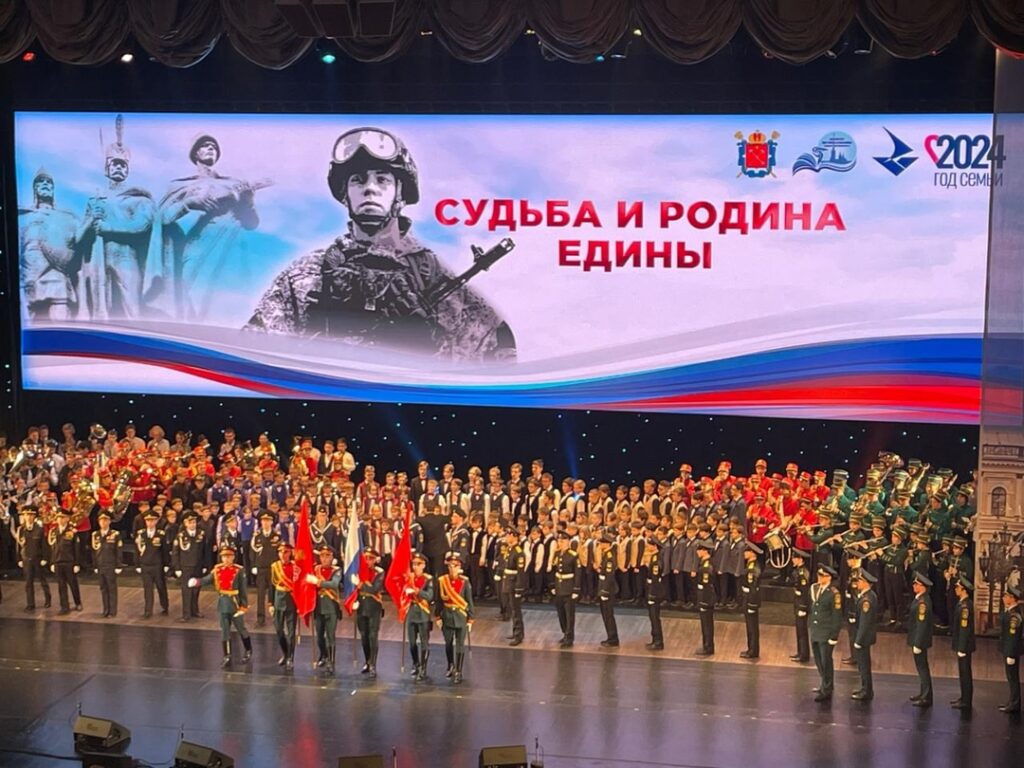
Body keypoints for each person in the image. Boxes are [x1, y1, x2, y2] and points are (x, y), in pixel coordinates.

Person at [245, 127, 515, 362]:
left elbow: (497, 358)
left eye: (382, 179)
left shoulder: (432, 276)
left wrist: (429, 352)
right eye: (358, 179)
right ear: (345, 194)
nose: (370, 188)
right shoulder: (306, 275)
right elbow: (254, 354)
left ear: (400, 194)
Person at [146, 133, 261, 320]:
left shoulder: (234, 184)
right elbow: (162, 219)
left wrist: (248, 202)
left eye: (214, 147)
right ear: (195, 153)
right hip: (195, 247)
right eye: (206, 145)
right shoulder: (180, 185)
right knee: (192, 299)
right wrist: (190, 203)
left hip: (229, 248)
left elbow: (251, 224)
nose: (211, 149)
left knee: (226, 303)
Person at [77, 114, 155, 320]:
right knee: (99, 309)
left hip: (125, 257)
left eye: (123, 165)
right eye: (115, 164)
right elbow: (79, 237)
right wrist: (91, 221)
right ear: (107, 168)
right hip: (98, 258)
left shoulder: (138, 198)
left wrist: (108, 227)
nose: (119, 167)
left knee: (132, 310)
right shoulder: (96, 199)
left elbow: (141, 225)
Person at [18, 168, 83, 321]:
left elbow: (77, 243)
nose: (45, 184)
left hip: (56, 274)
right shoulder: (23, 217)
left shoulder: (66, 218)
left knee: (60, 324)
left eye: (49, 182)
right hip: (28, 276)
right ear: (35, 189)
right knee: (28, 327)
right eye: (41, 182)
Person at [189, 545, 253, 668]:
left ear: (233, 557)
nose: (226, 559)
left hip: (235, 603)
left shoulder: (239, 570)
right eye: (224, 557)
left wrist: (243, 606)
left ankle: (248, 650)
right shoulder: (217, 569)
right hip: (223, 603)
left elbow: (243, 590)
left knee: (241, 628)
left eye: (228, 556)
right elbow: (207, 579)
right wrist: (197, 582)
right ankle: (227, 656)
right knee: (225, 631)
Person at [436, 551, 474, 685]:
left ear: (460, 567)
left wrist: (471, 619)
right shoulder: (442, 581)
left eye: (455, 566)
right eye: (450, 566)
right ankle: (450, 665)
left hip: (460, 615)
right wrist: (437, 616)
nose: (453, 568)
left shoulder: (465, 582)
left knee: (460, 644)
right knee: (448, 642)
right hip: (447, 615)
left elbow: (469, 601)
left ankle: (459, 670)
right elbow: (439, 600)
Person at [306, 545, 342, 675]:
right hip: (318, 607)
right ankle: (323, 655)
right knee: (320, 636)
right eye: (322, 556)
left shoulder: (336, 570)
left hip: (331, 607)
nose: (325, 558)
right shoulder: (316, 569)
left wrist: (318, 582)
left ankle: (331, 662)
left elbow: (334, 584)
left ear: (332, 557)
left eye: (327, 556)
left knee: (330, 636)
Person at [810, 565, 842, 702]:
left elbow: (836, 616)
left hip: (826, 632)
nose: (819, 578)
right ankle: (824, 683)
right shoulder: (815, 588)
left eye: (822, 576)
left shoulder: (834, 593)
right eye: (819, 575)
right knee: (818, 660)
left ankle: (827, 688)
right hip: (816, 630)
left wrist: (834, 635)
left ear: (829, 577)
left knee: (826, 661)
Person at [355, 547, 386, 678]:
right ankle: (367, 661)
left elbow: (374, 589)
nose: (368, 561)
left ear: (375, 560)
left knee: (373, 636)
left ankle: (373, 664)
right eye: (366, 558)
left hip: (374, 606)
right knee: (364, 636)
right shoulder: (357, 570)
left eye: (370, 558)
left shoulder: (379, 572)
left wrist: (361, 585)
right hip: (361, 606)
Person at [269, 542, 300, 670]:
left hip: (291, 601)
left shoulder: (295, 567)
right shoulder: (275, 566)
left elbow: (299, 586)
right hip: (278, 601)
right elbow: (271, 586)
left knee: (291, 632)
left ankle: (290, 658)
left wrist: (300, 603)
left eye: (286, 552)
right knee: (279, 630)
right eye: (281, 552)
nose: (283, 554)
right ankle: (285, 652)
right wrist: (270, 603)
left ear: (290, 553)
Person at [404, 552, 435, 681]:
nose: (415, 566)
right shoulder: (409, 577)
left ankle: (423, 667)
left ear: (424, 565)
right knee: (412, 643)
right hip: (411, 613)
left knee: (424, 642)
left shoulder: (428, 579)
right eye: (414, 564)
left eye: (418, 564)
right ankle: (415, 663)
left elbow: (429, 596)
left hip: (423, 614)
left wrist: (417, 591)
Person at [16, 506, 51, 611]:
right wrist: (19, 559)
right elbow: (18, 545)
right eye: (26, 515)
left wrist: (45, 558)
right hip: (26, 558)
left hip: (37, 558)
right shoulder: (21, 529)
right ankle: (30, 603)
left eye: (31, 515)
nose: (29, 517)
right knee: (28, 582)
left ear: (34, 516)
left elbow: (44, 545)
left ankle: (48, 599)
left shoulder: (39, 529)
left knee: (42, 580)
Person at [172, 511, 205, 622]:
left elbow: (205, 551)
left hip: (198, 566)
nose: (192, 524)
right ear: (185, 523)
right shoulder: (181, 536)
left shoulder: (201, 534)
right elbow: (176, 553)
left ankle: (195, 610)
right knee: (186, 591)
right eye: (190, 522)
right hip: (185, 567)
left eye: (194, 522)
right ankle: (186, 614)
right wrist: (177, 568)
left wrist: (205, 565)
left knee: (196, 590)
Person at [135, 509, 169, 618]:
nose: (150, 523)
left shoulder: (161, 534)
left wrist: (166, 564)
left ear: (156, 521)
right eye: (148, 520)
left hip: (157, 565)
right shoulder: (141, 534)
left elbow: (165, 550)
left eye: (152, 520)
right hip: (145, 565)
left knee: (161, 587)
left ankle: (164, 606)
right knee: (147, 589)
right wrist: (137, 564)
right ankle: (148, 610)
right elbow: (137, 550)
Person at [907, 572, 934, 708]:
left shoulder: (922, 603)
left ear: (922, 587)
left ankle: (926, 696)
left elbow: (921, 625)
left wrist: (917, 643)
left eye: (916, 584)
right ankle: (923, 693)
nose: (914, 586)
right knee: (921, 667)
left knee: (923, 668)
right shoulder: (919, 599)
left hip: (920, 641)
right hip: (917, 639)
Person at [48, 508, 82, 614]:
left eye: (63, 517)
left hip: (69, 562)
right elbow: (52, 548)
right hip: (58, 562)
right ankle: (64, 607)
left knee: (73, 584)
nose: (60, 520)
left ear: (67, 518)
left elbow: (77, 548)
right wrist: (52, 562)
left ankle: (78, 602)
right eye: (59, 517)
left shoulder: (72, 531)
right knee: (61, 586)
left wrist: (77, 563)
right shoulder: (53, 531)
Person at [851, 569, 878, 702]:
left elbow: (865, 623)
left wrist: (859, 640)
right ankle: (865, 688)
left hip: (864, 638)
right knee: (863, 665)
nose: (858, 583)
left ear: (866, 583)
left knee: (864, 665)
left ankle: (867, 690)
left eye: (860, 581)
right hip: (864, 636)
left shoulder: (867, 600)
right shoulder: (867, 596)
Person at [250, 511, 281, 626]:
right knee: (261, 594)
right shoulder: (256, 536)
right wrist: (253, 565)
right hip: (261, 568)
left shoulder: (277, 537)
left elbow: (280, 553)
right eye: (263, 521)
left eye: (268, 521)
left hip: (273, 569)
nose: (265, 523)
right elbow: (252, 552)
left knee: (274, 594)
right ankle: (260, 619)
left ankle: (276, 617)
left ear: (272, 522)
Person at [950, 575, 975, 711]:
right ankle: (963, 697)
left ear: (964, 589)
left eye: (958, 587)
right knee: (962, 672)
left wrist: (962, 647)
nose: (956, 589)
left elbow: (965, 629)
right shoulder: (962, 603)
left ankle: (966, 700)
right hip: (962, 644)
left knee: (965, 673)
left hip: (964, 645)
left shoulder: (965, 607)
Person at [91, 510, 123, 618]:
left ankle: (112, 611)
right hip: (100, 564)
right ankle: (105, 609)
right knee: (103, 588)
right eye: (101, 520)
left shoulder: (115, 534)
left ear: (109, 521)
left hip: (110, 565)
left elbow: (118, 551)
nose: (103, 522)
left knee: (111, 588)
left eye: (106, 520)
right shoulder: (95, 535)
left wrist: (118, 565)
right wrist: (95, 565)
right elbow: (94, 551)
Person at [551, 531, 580, 648]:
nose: (560, 542)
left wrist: (576, 589)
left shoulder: (573, 555)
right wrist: (553, 585)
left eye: (562, 541)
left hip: (569, 588)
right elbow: (555, 570)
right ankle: (564, 633)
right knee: (561, 613)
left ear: (568, 542)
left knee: (569, 614)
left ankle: (569, 637)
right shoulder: (557, 553)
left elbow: (578, 573)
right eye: (559, 540)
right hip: (559, 587)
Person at [998, 584, 1023, 714]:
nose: (1004, 598)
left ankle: (1015, 703)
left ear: (1012, 598)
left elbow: (1013, 636)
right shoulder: (1009, 612)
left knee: (1013, 678)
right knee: (1010, 677)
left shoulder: (1014, 616)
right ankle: (1012, 701)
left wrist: (1011, 654)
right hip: (1007, 649)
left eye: (1006, 596)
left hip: (1011, 651)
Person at [503, 528, 527, 646]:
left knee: (516, 610)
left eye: (508, 535)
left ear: (514, 536)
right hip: (508, 582)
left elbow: (520, 573)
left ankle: (519, 635)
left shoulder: (519, 552)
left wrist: (519, 588)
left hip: (514, 584)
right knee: (512, 609)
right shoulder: (510, 549)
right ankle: (515, 631)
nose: (507, 537)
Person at [645, 525, 668, 651]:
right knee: (652, 617)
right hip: (651, 589)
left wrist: (652, 594)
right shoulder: (654, 557)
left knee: (655, 617)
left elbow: (655, 579)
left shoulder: (656, 561)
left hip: (654, 591)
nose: (647, 547)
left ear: (654, 546)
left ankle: (658, 642)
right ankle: (654, 639)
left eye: (649, 545)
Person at [596, 531, 620, 647]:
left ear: (607, 544)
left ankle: (613, 639)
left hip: (608, 589)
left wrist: (604, 591)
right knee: (605, 615)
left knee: (608, 615)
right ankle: (610, 637)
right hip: (603, 586)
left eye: (601, 543)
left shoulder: (610, 556)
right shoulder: (606, 554)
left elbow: (609, 575)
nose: (600, 545)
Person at [740, 541, 763, 660]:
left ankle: (753, 651)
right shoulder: (750, 565)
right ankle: (751, 649)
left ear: (752, 553)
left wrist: (752, 604)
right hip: (747, 598)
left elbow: (753, 588)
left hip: (751, 599)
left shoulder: (753, 568)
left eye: (747, 552)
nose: (744, 554)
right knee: (750, 627)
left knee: (752, 627)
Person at [695, 538, 717, 656]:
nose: (697, 552)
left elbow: (706, 585)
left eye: (699, 550)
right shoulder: (704, 563)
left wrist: (704, 601)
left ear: (704, 551)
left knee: (707, 624)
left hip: (706, 597)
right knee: (705, 624)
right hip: (704, 596)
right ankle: (706, 645)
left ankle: (708, 647)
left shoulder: (706, 566)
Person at [790, 548, 812, 663]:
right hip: (798, 604)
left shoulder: (803, 573)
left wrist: (803, 607)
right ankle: (800, 652)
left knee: (802, 631)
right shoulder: (798, 571)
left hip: (802, 605)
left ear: (800, 559)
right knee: (799, 631)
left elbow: (804, 592)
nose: (792, 560)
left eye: (794, 558)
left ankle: (804, 655)